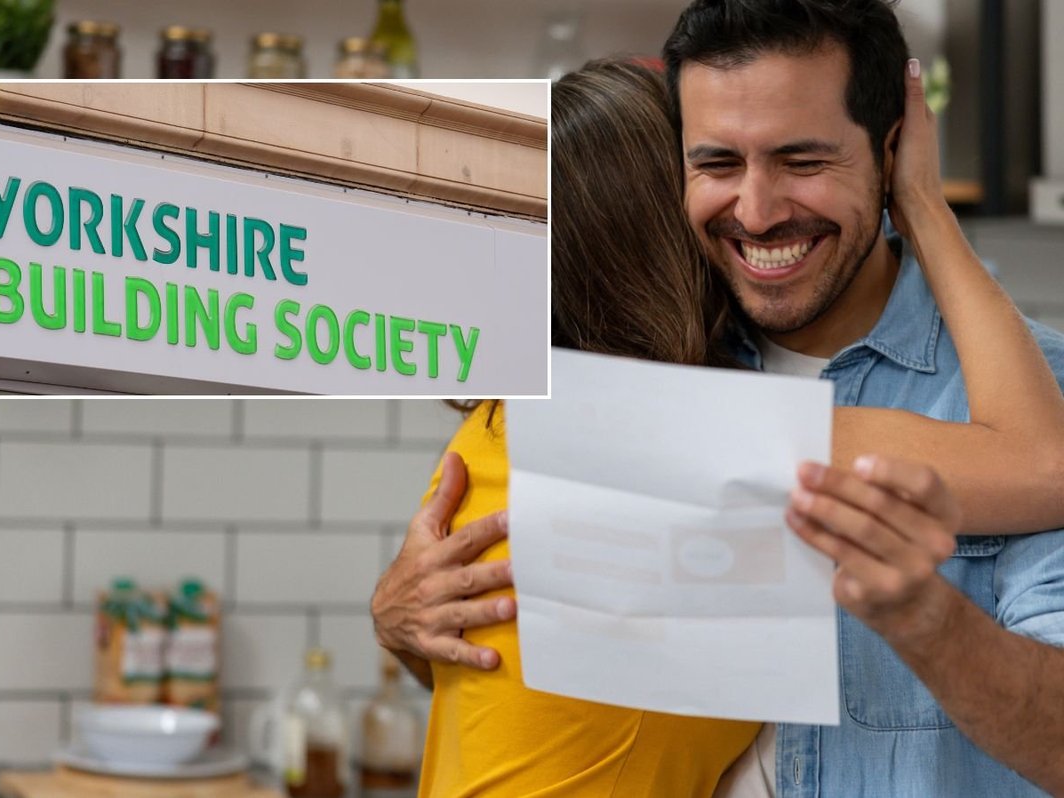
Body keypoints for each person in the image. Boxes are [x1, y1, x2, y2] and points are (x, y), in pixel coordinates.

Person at [372, 3, 1064, 797]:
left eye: (802, 160)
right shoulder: (656, 414)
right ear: (665, 203)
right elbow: (511, 670)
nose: (757, 211)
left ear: (891, 149)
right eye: (716, 164)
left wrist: (933, 625)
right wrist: (398, 623)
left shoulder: (509, 420)